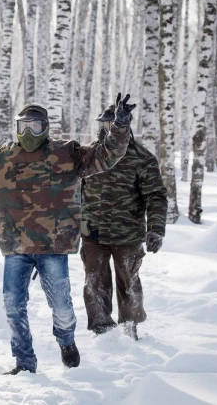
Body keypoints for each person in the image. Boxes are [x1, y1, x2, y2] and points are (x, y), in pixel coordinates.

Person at [0, 94, 135, 375]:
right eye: (23, 127)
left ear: (45, 127)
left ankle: (66, 340)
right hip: (16, 246)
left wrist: (119, 127)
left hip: (53, 246)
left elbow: (105, 156)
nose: (28, 133)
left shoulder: (66, 153)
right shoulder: (4, 156)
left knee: (61, 307)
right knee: (13, 306)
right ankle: (24, 363)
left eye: (34, 127)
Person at [80, 104, 167, 340]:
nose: (108, 130)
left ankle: (130, 329)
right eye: (104, 124)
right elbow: (73, 192)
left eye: (113, 124)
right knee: (94, 283)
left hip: (127, 235)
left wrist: (156, 229)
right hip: (93, 233)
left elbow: (156, 196)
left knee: (129, 283)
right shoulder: (89, 155)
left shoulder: (142, 158)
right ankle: (102, 332)